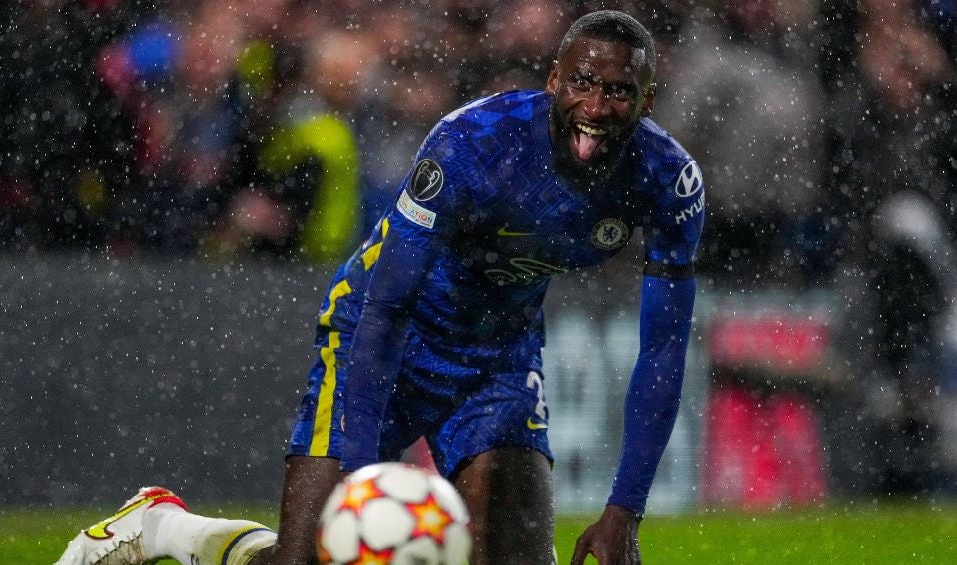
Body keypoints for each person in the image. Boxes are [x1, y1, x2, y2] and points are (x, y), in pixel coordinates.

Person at [55, 10, 704, 565]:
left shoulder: (670, 184)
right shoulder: (470, 146)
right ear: (554, 81)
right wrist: (362, 476)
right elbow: (387, 308)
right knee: (312, 557)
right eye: (583, 83)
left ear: (647, 101)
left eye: (619, 91)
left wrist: (626, 506)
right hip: (381, 333)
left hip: (497, 361)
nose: (596, 107)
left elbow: (664, 347)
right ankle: (164, 525)